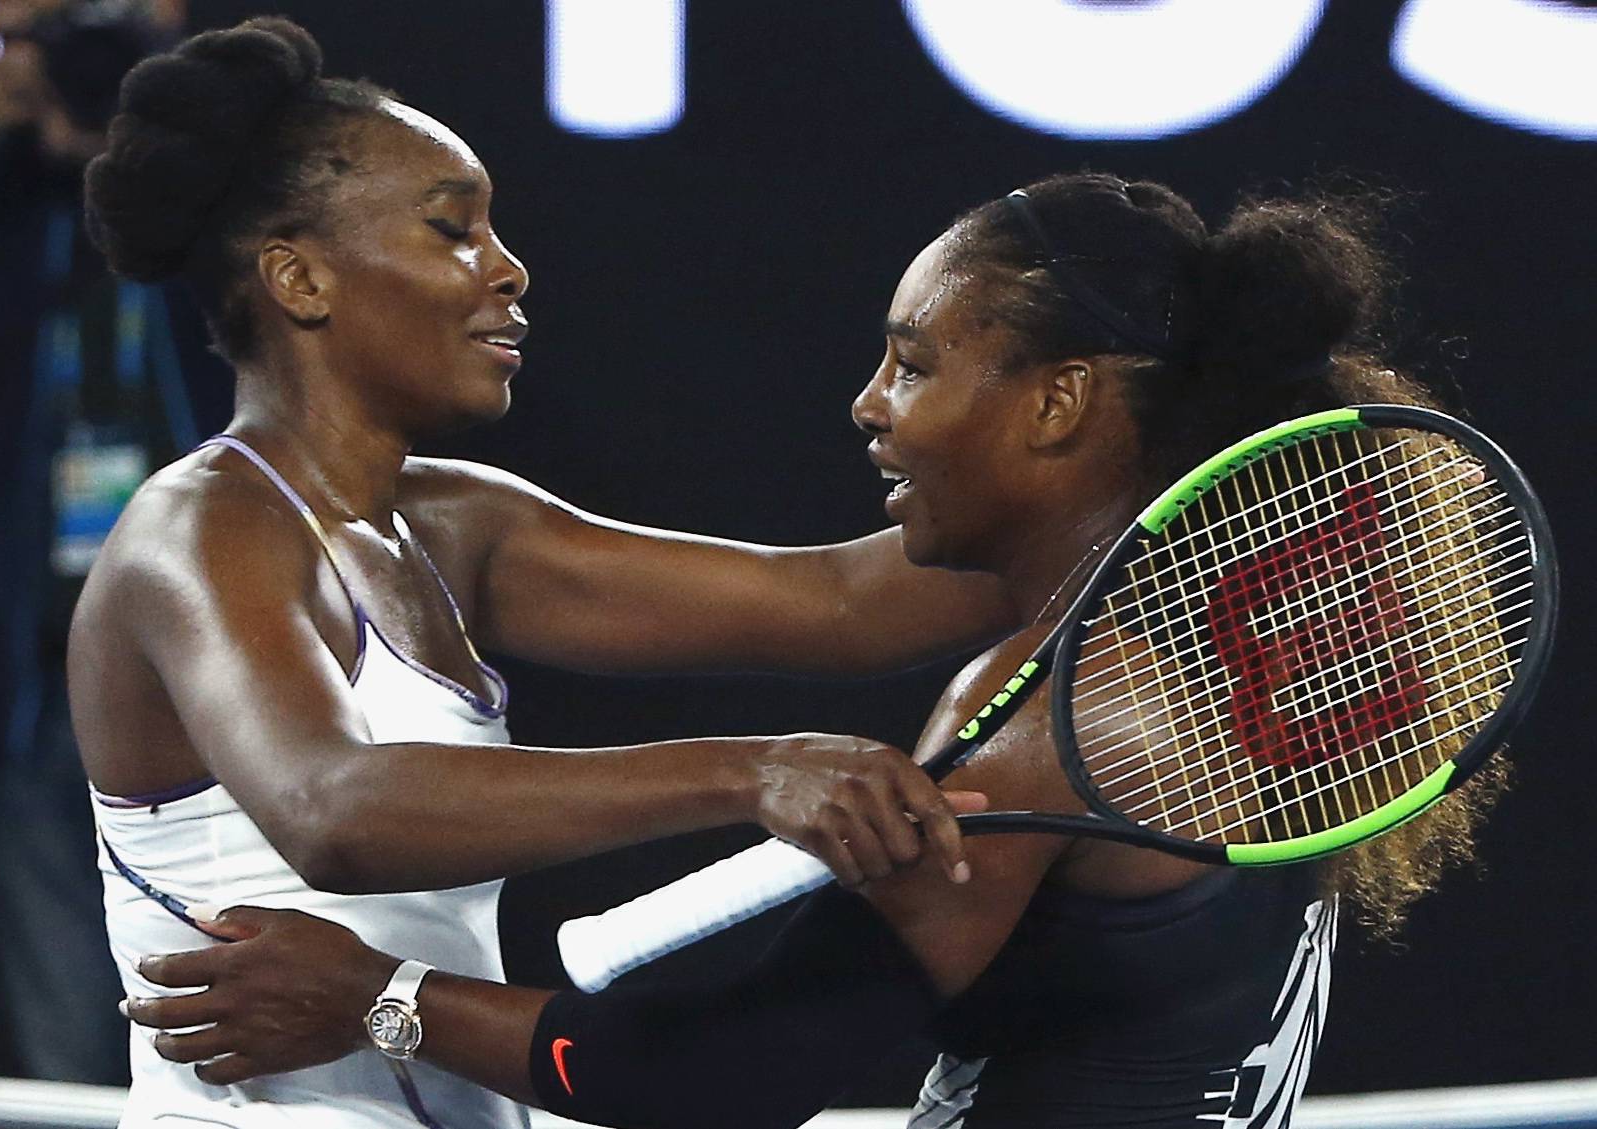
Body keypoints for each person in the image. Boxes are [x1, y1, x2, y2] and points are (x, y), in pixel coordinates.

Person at [124, 171, 1509, 1129]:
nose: (870, 405)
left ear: (1058, 405)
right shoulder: (1225, 659)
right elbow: (838, 605)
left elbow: (723, 1077)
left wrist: (383, 999)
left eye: (914, 363)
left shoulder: (1061, 708)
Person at [72, 17, 1019, 1129]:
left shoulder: (456, 523)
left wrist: (1126, 490)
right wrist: (752, 770)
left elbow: (843, 605)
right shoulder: (198, 527)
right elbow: (333, 810)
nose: (507, 268)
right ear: (300, 278)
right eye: (452, 230)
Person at [0, 0, 198, 1084]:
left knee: (219, 995)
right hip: (28, 662)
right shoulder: (10, 191)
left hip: (209, 669)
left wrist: (154, 136)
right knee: (68, 1023)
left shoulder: (228, 171)